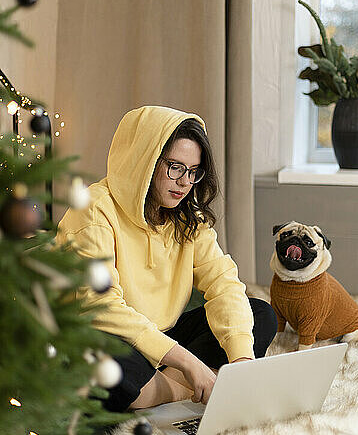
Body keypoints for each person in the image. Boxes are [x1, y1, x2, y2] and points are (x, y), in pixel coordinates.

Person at [56, 106, 278, 412]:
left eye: (193, 171)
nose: (185, 182)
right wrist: (187, 363)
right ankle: (183, 389)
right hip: (111, 337)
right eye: (175, 167)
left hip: (163, 340)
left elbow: (223, 283)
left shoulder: (188, 217)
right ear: (144, 162)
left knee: (259, 316)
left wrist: (242, 361)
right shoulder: (93, 210)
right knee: (101, 359)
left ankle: (154, 389)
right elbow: (101, 308)